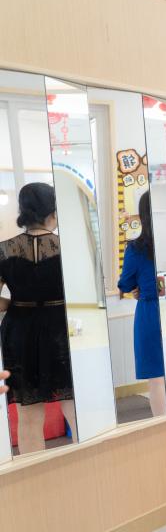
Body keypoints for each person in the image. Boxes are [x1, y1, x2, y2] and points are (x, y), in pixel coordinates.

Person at [0, 183, 76, 454]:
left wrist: (16, 301)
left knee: (28, 415)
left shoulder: (4, 249)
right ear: (52, 211)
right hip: (60, 329)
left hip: (19, 331)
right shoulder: (69, 247)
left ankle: (34, 475)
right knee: (75, 409)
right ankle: (87, 469)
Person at [117, 191, 166, 416]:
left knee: (156, 378)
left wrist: (140, 286)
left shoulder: (136, 247)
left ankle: (163, 426)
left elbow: (125, 283)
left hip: (150, 311)